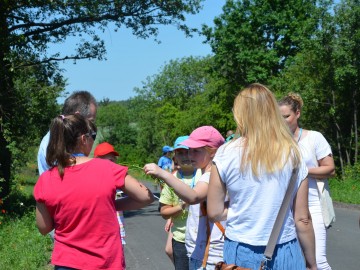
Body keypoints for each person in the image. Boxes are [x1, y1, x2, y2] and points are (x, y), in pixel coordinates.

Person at [207, 83, 317, 270]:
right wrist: (313, 264)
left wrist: (245, 210)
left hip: (239, 251)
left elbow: (214, 212)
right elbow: (302, 219)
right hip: (285, 250)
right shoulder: (293, 153)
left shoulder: (226, 153)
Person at [34, 114, 154, 270]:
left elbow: (44, 228)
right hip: (105, 263)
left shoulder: (46, 179)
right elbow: (146, 196)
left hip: (67, 262)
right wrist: (110, 204)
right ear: (84, 139)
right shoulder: (108, 168)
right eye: (92, 136)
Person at [144, 126, 226, 270]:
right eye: (189, 151)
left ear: (212, 152)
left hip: (211, 257)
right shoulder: (207, 173)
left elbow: (193, 196)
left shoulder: (212, 175)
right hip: (198, 250)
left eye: (196, 151)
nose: (190, 155)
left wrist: (162, 173)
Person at [279, 92, 335, 270]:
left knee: (317, 261)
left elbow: (330, 168)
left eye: (286, 116)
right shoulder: (275, 142)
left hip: (312, 204)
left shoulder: (314, 137)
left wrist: (302, 171)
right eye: (278, 118)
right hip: (284, 206)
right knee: (290, 261)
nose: (282, 121)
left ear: (297, 114)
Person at [159, 135, 202, 270]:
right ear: (175, 157)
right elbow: (164, 212)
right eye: (180, 153)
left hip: (203, 238)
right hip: (181, 239)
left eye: (188, 151)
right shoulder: (172, 180)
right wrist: (182, 205)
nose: (185, 156)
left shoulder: (205, 174)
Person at [37, 90, 97, 175]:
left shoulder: (56, 136)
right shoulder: (59, 141)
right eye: (91, 121)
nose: (92, 126)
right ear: (78, 116)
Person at [94, 142, 126, 245]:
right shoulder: (95, 183)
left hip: (118, 234)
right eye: (109, 161)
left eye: (114, 160)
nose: (112, 164)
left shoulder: (118, 182)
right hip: (102, 235)